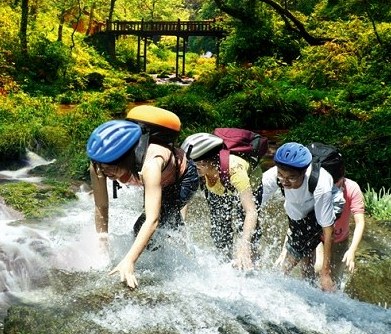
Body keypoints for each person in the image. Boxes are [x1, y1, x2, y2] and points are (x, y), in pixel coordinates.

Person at [87, 119, 199, 289]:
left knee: (145, 225)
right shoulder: (99, 163)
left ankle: (176, 264)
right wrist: (102, 241)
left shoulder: (151, 163)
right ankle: (175, 234)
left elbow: (152, 220)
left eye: (110, 168)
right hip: (160, 180)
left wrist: (129, 261)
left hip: (182, 179)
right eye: (101, 167)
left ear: (126, 158)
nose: (104, 172)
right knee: (155, 224)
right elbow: (101, 205)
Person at [261, 142, 339, 292]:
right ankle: (309, 283)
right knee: (306, 250)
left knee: (299, 245)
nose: (284, 181)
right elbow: (251, 204)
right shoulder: (273, 175)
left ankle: (276, 281)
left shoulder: (320, 184)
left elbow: (328, 231)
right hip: (298, 212)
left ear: (304, 172)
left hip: (329, 206)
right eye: (281, 175)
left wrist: (325, 273)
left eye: (291, 178)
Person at [181, 133, 263, 270]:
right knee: (219, 230)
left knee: (248, 232)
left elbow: (251, 211)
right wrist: (181, 225)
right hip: (218, 189)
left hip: (249, 186)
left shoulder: (235, 170)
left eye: (195, 164)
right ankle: (225, 265)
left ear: (207, 162)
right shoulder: (198, 169)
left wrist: (244, 244)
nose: (192, 167)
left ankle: (252, 266)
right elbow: (184, 198)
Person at [315, 170, 365, 289]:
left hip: (340, 239)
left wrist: (352, 250)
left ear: (343, 177)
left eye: (336, 182)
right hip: (319, 238)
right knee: (318, 267)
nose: (333, 187)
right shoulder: (318, 185)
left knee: (334, 282)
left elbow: (360, 222)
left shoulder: (352, 188)